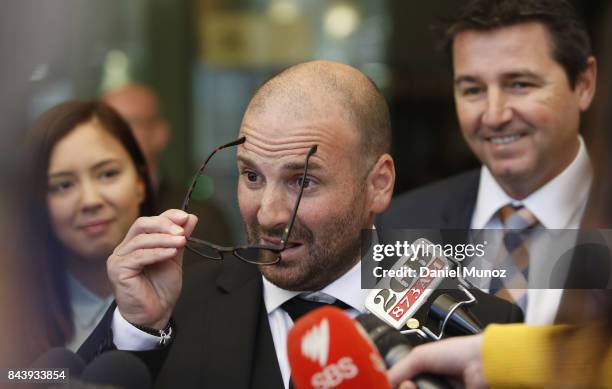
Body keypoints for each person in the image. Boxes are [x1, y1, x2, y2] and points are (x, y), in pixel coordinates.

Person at [96, 61, 520, 389]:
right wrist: (137, 333)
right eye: (252, 176)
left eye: (303, 181)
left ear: (379, 183)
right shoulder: (173, 313)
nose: (269, 214)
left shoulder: (477, 330)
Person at [377, 0, 598, 324]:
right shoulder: (397, 227)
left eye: (520, 84)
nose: (494, 115)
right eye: (473, 90)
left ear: (583, 85)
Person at [17, 101, 155, 359]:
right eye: (63, 185)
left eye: (107, 174)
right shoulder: (11, 313)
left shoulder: (196, 299)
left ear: (140, 181)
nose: (90, 200)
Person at [103, 83, 233, 246]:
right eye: (105, 126)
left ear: (159, 133)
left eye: (129, 124)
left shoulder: (200, 219)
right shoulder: (93, 218)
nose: (114, 135)